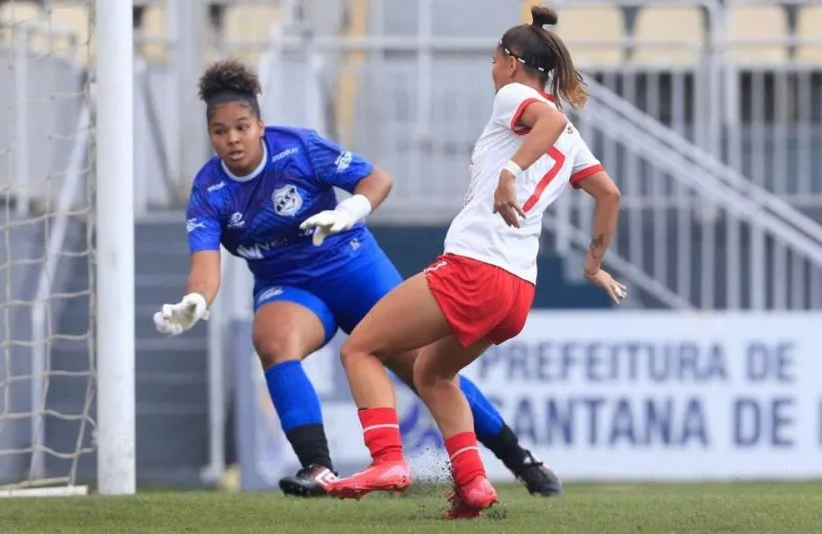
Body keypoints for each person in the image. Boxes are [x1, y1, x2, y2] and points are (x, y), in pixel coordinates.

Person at [152, 58, 563, 498]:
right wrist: (196, 300)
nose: (232, 139)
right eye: (220, 131)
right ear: (210, 134)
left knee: (425, 369)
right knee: (272, 342)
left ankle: (519, 458)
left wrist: (349, 210)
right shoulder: (209, 190)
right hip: (289, 286)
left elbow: (376, 179)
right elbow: (205, 267)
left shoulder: (299, 148)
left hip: (354, 269)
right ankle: (317, 466)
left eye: (242, 126)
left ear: (260, 125)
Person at [324, 4, 626, 519]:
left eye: (493, 60)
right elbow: (610, 195)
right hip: (517, 291)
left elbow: (547, 118)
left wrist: (510, 170)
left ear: (512, 61)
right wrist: (594, 265)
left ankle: (387, 460)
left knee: (360, 350)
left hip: (475, 267)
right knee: (432, 374)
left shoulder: (517, 97)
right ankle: (474, 486)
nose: (491, 70)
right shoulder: (570, 138)